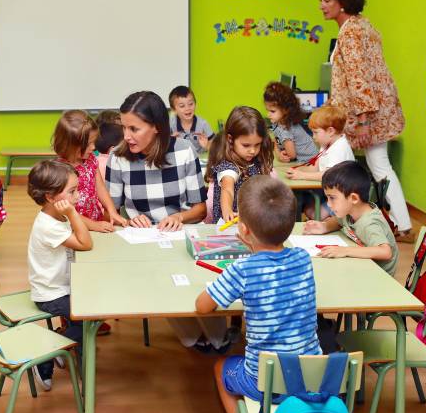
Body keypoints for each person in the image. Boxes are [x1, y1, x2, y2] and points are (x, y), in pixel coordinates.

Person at [194, 175, 321, 413]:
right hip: (311, 374)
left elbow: (202, 306)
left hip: (264, 380)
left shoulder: (243, 269)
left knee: (220, 367)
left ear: (243, 229)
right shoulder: (303, 258)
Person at [106, 90, 230, 351]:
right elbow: (111, 213)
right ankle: (193, 339)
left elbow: (199, 209)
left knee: (197, 280)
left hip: (183, 235)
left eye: (134, 129)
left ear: (157, 128)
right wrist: (128, 221)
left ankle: (219, 339)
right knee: (162, 280)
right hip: (142, 241)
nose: (126, 136)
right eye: (124, 128)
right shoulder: (118, 158)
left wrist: (178, 217)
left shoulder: (184, 151)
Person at [316, 0, 413, 240]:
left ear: (342, 1)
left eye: (327, 0)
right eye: (321, 0)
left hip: (367, 114)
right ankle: (399, 223)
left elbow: (359, 78)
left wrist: (363, 119)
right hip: (372, 110)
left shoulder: (350, 32)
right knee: (379, 165)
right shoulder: (362, 25)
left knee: (375, 165)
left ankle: (396, 224)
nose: (322, 5)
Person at [26, 159, 93, 390]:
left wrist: (70, 214)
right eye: (72, 191)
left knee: (90, 312)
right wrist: (73, 213)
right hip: (51, 294)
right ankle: (45, 355)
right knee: (88, 319)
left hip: (61, 287)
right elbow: (85, 243)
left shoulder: (57, 216)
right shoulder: (48, 225)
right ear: (51, 197)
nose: (77, 197)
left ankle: (60, 341)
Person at [303, 161, 399, 276]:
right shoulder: (350, 211)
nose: (328, 204)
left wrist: (345, 250)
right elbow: (338, 221)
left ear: (354, 198)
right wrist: (323, 227)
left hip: (378, 275)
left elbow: (385, 252)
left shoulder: (369, 223)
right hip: (362, 264)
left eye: (332, 198)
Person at [51, 110, 125, 233]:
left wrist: (112, 211)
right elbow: (65, 210)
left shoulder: (91, 159)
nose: (93, 147)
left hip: (95, 220)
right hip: (72, 227)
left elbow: (101, 188)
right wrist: (93, 225)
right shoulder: (59, 170)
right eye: (88, 144)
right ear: (70, 144)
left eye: (93, 142)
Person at [209, 106, 274, 224]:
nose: (252, 151)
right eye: (246, 145)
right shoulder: (228, 166)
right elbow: (227, 190)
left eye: (257, 145)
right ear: (230, 139)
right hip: (230, 225)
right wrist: (227, 210)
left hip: (253, 223)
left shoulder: (256, 161)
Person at [263, 81, 317, 163]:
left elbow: (291, 155)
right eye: (268, 110)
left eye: (272, 111)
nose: (268, 115)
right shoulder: (277, 122)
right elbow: (276, 140)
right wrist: (278, 151)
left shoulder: (286, 130)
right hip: (302, 159)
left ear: (285, 110)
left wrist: (278, 154)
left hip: (309, 161)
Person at [168, 85, 214, 155]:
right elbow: (162, 146)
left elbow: (215, 148)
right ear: (174, 110)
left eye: (190, 104)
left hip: (199, 158)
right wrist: (170, 142)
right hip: (179, 159)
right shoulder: (171, 124)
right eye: (182, 106)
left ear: (195, 104)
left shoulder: (203, 124)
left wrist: (207, 145)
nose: (187, 108)